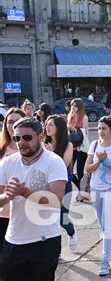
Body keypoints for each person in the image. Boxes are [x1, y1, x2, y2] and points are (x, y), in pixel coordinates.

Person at [0, 117, 67, 280]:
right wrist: (8, 196)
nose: (21, 142)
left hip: (45, 240)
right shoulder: (7, 163)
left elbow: (56, 201)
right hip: (14, 238)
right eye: (17, 138)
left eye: (27, 137)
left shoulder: (54, 162)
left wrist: (25, 192)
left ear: (41, 136)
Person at [85, 117, 111, 276]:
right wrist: (98, 162)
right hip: (96, 188)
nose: (101, 131)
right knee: (102, 224)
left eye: (104, 128)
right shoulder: (94, 145)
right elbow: (87, 169)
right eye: (100, 128)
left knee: (108, 226)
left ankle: (105, 261)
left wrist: (107, 161)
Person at [43, 115, 77, 250]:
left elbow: (63, 166)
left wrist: (51, 154)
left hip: (63, 185)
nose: (47, 127)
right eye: (46, 124)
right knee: (47, 220)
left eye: (51, 124)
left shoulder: (68, 145)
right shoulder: (42, 143)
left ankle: (72, 232)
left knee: (63, 217)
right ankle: (54, 250)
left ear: (59, 127)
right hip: (45, 185)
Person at [0, 108, 26, 258]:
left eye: (17, 121)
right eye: (10, 121)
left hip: (26, 212)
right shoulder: (1, 148)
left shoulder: (33, 147)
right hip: (3, 212)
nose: (13, 125)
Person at [68, 98, 89, 190]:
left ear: (79, 107)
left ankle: (83, 192)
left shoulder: (84, 117)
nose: (73, 107)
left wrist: (74, 128)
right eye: (72, 105)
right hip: (71, 147)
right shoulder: (70, 116)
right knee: (69, 172)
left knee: (80, 171)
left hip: (81, 147)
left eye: (75, 106)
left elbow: (85, 133)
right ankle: (82, 189)